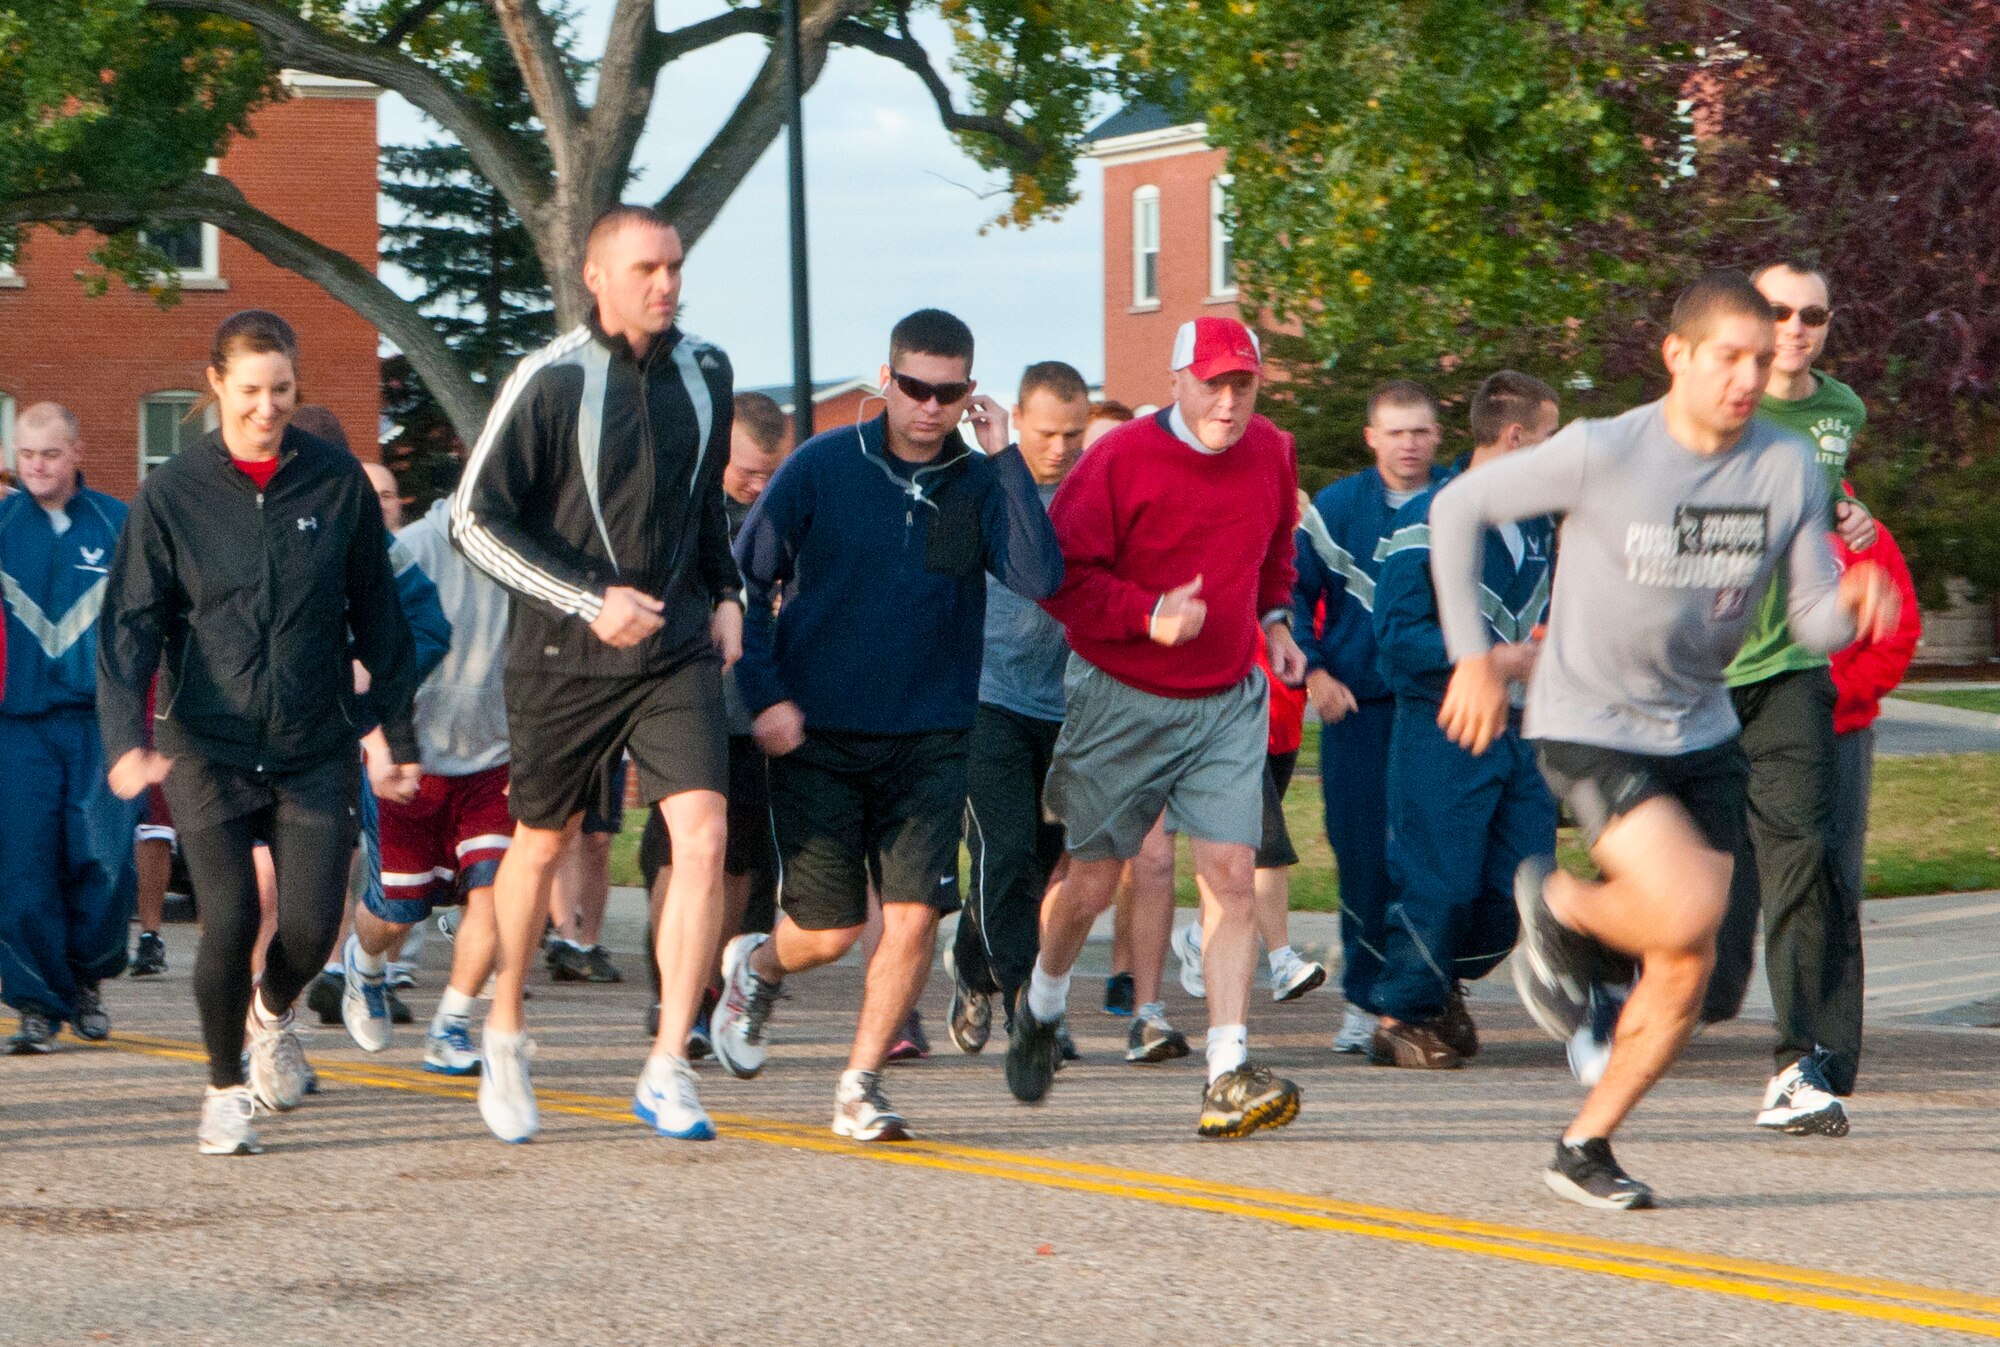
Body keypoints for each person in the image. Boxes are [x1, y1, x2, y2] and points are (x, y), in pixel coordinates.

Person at [1430, 271, 1901, 1209]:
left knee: (1695, 972)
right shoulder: (1605, 450)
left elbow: (1809, 621)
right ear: (1676, 355)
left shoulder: (1786, 467)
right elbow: (1456, 509)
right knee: (1685, 906)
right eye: (1729, 356)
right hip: (1591, 716)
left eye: (1760, 360)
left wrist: (1848, 604)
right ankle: (1559, 907)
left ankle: (1584, 1143)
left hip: (1702, 719)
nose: (1746, 376)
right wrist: (1473, 658)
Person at [714, 308, 1063, 1141]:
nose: (929, 407)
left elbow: (1040, 575)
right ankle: (756, 967)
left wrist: (1007, 456)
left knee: (911, 915)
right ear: (886, 379)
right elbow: (743, 584)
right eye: (914, 387)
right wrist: (764, 696)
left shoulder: (979, 483)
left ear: (969, 394)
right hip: (818, 732)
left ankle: (859, 1084)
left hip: (935, 735)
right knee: (828, 930)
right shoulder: (822, 466)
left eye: (948, 393)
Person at [99, 308, 422, 1155]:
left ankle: (273, 1012)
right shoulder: (173, 493)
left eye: (281, 390)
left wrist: (400, 733)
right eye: (249, 390)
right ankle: (221, 1085)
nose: (267, 407)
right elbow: (130, 623)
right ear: (216, 384)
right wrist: (122, 741)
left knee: (313, 925)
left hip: (315, 738)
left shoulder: (335, 483)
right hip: (207, 742)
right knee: (233, 915)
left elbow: (380, 618)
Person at [451, 204, 740, 1145]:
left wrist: (727, 589)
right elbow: (474, 522)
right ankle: (504, 1033)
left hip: (673, 645)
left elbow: (704, 510)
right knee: (538, 843)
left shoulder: (708, 371)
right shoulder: (548, 380)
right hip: (562, 653)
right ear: (597, 276)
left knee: (702, 833)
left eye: (676, 265)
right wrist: (586, 600)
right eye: (648, 267)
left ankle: (667, 1063)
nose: (667, 283)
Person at [1013, 315, 1308, 1139]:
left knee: (1231, 876)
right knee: (1093, 885)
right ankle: (1041, 999)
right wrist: (1148, 614)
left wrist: (1278, 622)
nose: (1227, 399)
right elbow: (1056, 581)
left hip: (1225, 697)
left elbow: (1277, 546)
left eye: (1241, 383)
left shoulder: (1273, 452)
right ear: (1177, 378)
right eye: (1211, 381)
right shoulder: (1118, 460)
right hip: (1122, 694)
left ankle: (1226, 1069)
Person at [1702, 261, 1882, 1130]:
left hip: (1791, 669)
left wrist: (1851, 514)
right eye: (1780, 311)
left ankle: (1800, 1064)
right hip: (1701, 668)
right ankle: (1593, 976)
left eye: (1813, 313)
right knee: (1678, 865)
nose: (1796, 327)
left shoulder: (1839, 412)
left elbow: (1824, 489)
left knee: (1804, 860)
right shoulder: (1719, 402)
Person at [1368, 371, 1562, 1070]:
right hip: (1443, 724)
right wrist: (1496, 660)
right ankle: (1401, 1012)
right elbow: (1396, 635)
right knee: (1439, 878)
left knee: (1525, 882)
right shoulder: (1429, 517)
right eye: (1548, 439)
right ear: (1514, 438)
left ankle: (1443, 982)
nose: (1556, 453)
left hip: (1520, 733)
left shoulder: (1539, 523)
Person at [335, 481, 512, 1077]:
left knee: (493, 895)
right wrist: (381, 743)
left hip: (494, 759)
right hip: (414, 758)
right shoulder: (412, 549)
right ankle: (364, 964)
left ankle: (452, 1025)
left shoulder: (530, 556)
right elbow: (368, 653)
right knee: (397, 913)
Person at [1294, 380, 1448, 1053]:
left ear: (1437, 435)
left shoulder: (1456, 502)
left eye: (1420, 430)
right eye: (1395, 431)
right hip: (1356, 707)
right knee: (1362, 856)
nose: (1409, 443)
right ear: (1372, 437)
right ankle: (1361, 998)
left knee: (1434, 858)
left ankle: (1427, 995)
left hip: (1437, 707)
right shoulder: (1338, 507)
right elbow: (1288, 593)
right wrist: (1315, 672)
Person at [943, 360, 1089, 1057]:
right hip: (988, 697)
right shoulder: (981, 486)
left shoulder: (1094, 491)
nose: (1060, 446)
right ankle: (1029, 1015)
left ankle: (974, 964)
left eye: (1074, 433)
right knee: (1004, 851)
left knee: (1043, 863)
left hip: (1069, 706)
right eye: (1048, 432)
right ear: (1018, 421)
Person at [637, 389, 790, 1046]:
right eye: (746, 469)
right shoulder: (682, 508)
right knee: (679, 854)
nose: (757, 485)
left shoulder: (779, 515)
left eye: (768, 472)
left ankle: (703, 986)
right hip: (683, 704)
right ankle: (672, 993)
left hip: (750, 712)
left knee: (738, 864)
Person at [0, 402, 135, 1053]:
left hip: (99, 726)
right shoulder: (0, 525)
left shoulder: (119, 524)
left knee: (104, 861)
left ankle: (88, 983)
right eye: (26, 455)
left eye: (49, 453)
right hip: (17, 727)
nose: (37, 466)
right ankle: (34, 1002)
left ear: (77, 451)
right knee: (22, 865)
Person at [1826, 512, 1920, 919]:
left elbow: (1897, 633)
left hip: (1841, 732)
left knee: (1835, 880)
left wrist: (1836, 695)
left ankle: (1832, 982)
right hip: (1746, 731)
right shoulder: (1746, 520)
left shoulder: (1865, 535)